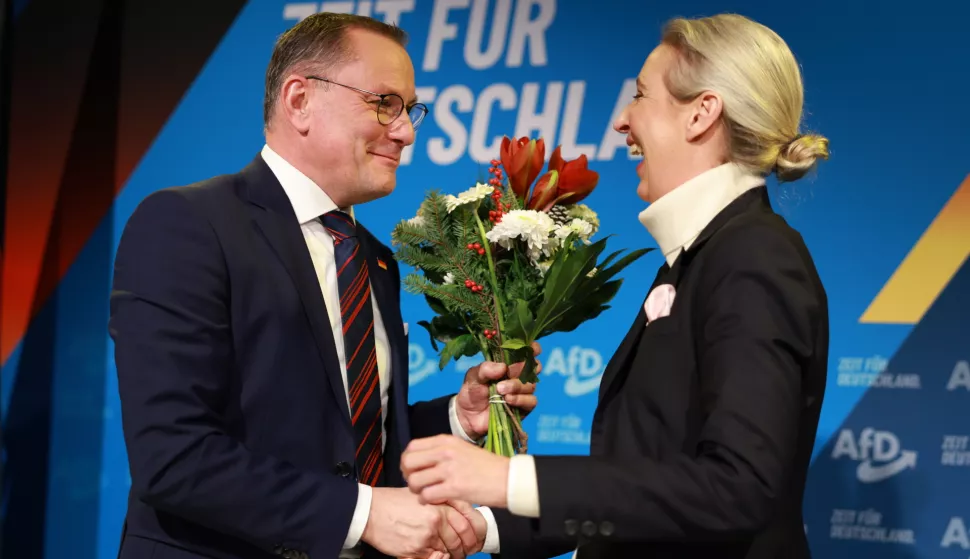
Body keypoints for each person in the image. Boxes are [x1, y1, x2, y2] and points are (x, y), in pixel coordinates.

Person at [400, 12, 830, 559]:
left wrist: (508, 481)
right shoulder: (702, 256)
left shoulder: (753, 258)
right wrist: (487, 529)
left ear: (702, 113)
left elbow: (737, 488)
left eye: (641, 96)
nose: (622, 121)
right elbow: (642, 485)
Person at [108, 12, 537, 559]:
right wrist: (364, 513)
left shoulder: (374, 260)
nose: (405, 131)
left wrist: (458, 417)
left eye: (411, 110)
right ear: (299, 100)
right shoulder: (187, 224)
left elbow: (349, 443)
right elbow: (174, 457)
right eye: (385, 103)